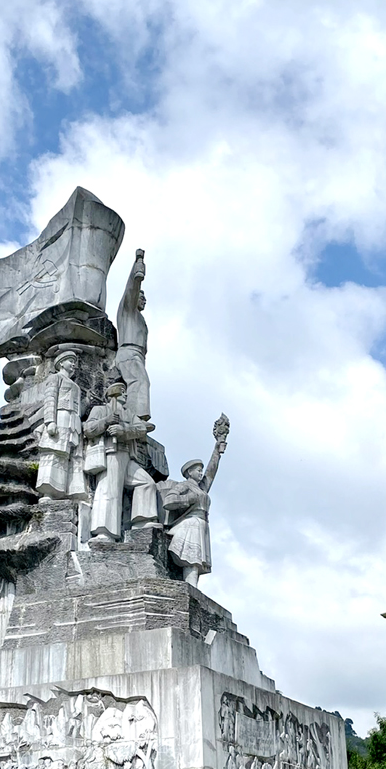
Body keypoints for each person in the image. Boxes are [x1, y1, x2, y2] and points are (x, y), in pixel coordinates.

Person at [83, 382, 158, 542]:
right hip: (111, 453)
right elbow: (88, 430)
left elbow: (142, 429)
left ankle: (141, 521)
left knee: (146, 483)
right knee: (109, 490)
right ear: (113, 394)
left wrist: (124, 431)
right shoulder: (101, 410)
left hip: (127, 455)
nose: (125, 394)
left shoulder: (128, 413)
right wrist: (106, 421)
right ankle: (103, 532)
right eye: (122, 392)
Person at [162, 416, 229, 587]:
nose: (200, 473)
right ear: (189, 472)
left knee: (197, 561)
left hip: (202, 524)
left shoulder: (202, 488)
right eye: (198, 471)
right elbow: (169, 501)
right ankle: (189, 586)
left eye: (200, 470)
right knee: (192, 559)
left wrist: (217, 449)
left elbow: (211, 471)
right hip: (190, 524)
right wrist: (187, 499)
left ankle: (193, 588)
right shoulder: (184, 485)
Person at [37, 349, 87, 501]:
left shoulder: (76, 386)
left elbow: (78, 409)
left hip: (74, 421)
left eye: (74, 362)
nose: (73, 364)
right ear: (61, 363)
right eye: (70, 361)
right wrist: (50, 421)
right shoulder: (55, 378)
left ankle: (68, 490)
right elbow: (50, 399)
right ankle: (48, 492)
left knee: (71, 456)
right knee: (54, 452)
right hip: (60, 417)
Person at [114, 250, 151, 421]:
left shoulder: (140, 319)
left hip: (137, 356)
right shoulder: (127, 312)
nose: (144, 300)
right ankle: (136, 418)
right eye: (141, 297)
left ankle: (131, 416)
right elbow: (131, 289)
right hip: (128, 353)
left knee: (138, 383)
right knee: (141, 381)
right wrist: (138, 269)